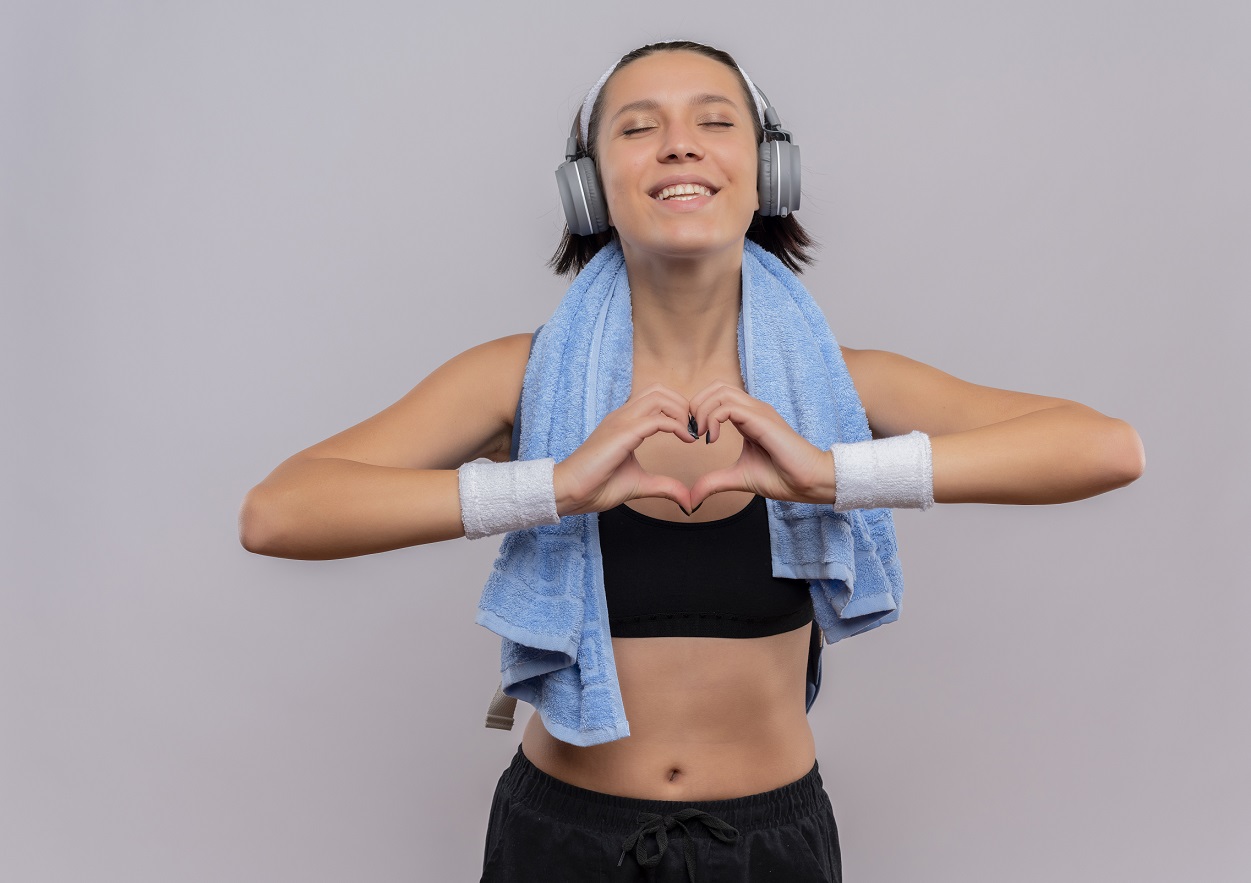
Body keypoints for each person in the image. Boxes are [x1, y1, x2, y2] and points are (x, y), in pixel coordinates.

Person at [239, 40, 1144, 883]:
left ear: (768, 172)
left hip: (771, 841)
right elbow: (280, 511)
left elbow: (1105, 447)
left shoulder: (840, 389)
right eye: (637, 128)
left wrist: (831, 476)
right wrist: (554, 487)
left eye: (715, 122)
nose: (679, 148)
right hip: (559, 837)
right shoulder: (518, 380)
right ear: (590, 189)